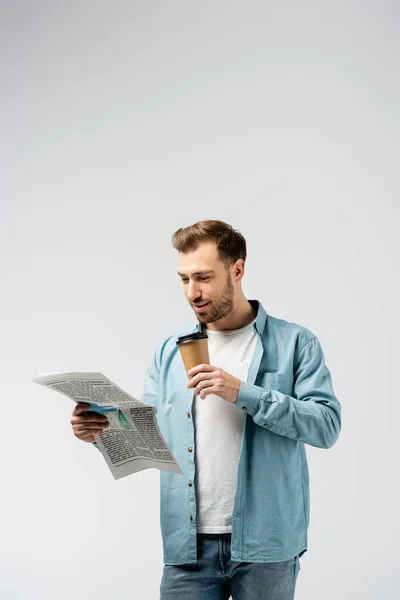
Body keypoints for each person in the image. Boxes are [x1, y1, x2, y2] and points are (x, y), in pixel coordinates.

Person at [71, 219, 341, 600]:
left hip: (267, 542)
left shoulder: (295, 342)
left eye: (203, 277)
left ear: (237, 269)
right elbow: (153, 441)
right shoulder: (169, 350)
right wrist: (100, 433)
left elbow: (326, 426)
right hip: (188, 546)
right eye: (184, 279)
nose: (192, 292)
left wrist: (243, 393)